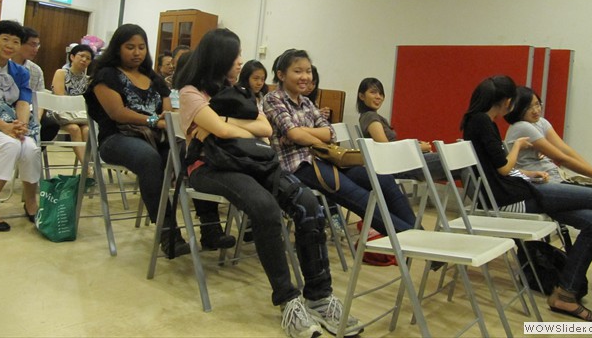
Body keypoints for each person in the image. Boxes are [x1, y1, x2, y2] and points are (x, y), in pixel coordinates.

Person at [177, 29, 362, 338]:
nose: (240, 61)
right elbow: (225, 134)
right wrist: (230, 128)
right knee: (265, 208)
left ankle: (319, 296)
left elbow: (264, 129)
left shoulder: (238, 90)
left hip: (252, 161)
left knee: (308, 203)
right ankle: (289, 301)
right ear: (219, 58)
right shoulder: (190, 93)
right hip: (210, 167)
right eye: (235, 56)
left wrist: (224, 123)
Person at [461, 75, 592, 322]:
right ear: (507, 101)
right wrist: (518, 147)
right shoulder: (483, 122)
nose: (536, 109)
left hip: (518, 190)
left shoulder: (479, 121)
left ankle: (566, 294)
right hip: (510, 200)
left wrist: (525, 173)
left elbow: (495, 169)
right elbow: (503, 168)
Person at [264, 49, 418, 236]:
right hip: (298, 165)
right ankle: (410, 237)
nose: (305, 76)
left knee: (383, 180)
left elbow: (330, 132)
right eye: (298, 71)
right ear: (281, 75)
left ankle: (418, 234)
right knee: (357, 194)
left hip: (326, 158)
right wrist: (304, 136)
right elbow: (295, 134)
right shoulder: (273, 99)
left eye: (308, 71)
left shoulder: (307, 102)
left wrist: (302, 134)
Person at [84, 25, 190, 257]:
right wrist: (153, 121)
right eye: (130, 47)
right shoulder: (107, 75)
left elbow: (167, 110)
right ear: (117, 48)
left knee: (186, 153)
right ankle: (168, 232)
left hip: (155, 138)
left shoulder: (153, 77)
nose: (137, 52)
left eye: (141, 47)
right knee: (149, 159)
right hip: (116, 138)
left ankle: (210, 228)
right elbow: (117, 113)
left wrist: (162, 119)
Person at [0, 20, 41, 231]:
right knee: (10, 145)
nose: (10, 45)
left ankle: (31, 203)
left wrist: (20, 126)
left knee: (30, 147)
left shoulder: (21, 72)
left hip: (9, 122)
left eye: (15, 41)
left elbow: (23, 101)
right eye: (5, 39)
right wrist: (4, 127)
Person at [505, 86, 592, 191]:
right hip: (540, 181)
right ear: (517, 109)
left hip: (557, 175)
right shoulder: (521, 127)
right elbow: (561, 158)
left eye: (537, 104)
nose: (536, 110)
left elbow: (566, 150)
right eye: (528, 107)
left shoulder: (541, 122)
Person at [356, 77, 446, 181]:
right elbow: (386, 148)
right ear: (361, 96)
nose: (378, 97)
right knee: (452, 159)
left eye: (381, 94)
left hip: (400, 163)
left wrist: (416, 146)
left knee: (458, 165)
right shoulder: (370, 116)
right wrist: (416, 148)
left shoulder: (374, 117)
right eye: (373, 92)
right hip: (398, 167)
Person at [12, 26, 59, 142]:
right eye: (33, 45)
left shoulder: (36, 70)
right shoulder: (5, 65)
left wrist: (37, 119)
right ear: (19, 43)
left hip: (29, 110)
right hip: (7, 109)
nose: (36, 49)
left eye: (38, 45)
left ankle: (32, 149)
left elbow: (40, 98)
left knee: (51, 125)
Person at [51, 44, 94, 167]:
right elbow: (60, 97)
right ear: (72, 57)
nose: (84, 60)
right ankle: (87, 168)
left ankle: (89, 165)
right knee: (74, 129)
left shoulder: (88, 79)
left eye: (88, 58)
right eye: (81, 56)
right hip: (61, 112)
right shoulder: (61, 73)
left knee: (87, 130)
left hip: (80, 115)